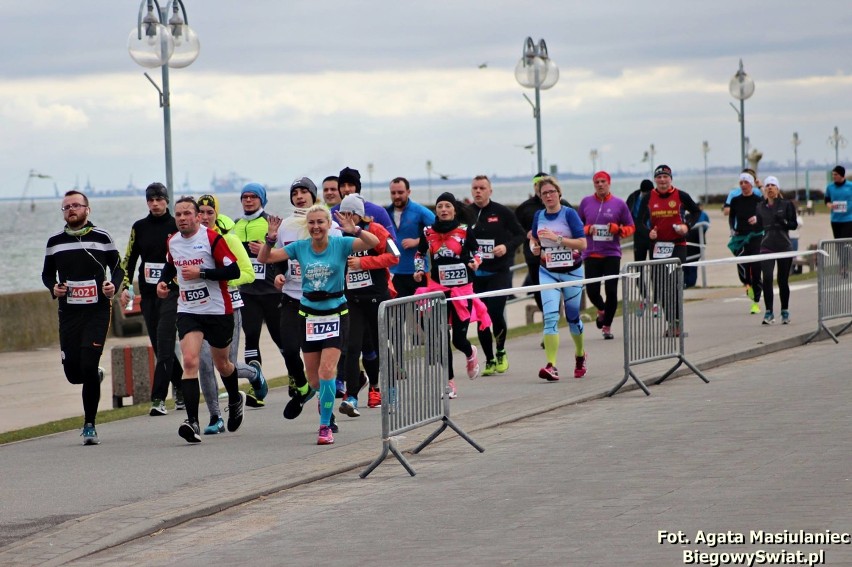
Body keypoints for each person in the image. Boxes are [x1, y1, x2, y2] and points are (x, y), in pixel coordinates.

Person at [261, 205, 379, 445]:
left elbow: (372, 243)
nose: (316, 227)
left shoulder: (340, 244)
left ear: (328, 225)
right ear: (308, 226)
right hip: (309, 315)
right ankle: (319, 398)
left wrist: (355, 230)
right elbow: (266, 258)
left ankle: (325, 425)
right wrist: (270, 239)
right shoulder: (301, 247)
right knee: (315, 380)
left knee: (327, 372)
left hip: (336, 312)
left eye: (320, 222)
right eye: (312, 223)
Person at [157, 197, 244, 444]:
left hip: (218, 310)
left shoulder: (212, 239)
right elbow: (170, 266)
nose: (182, 218)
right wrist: (163, 282)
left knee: (223, 364)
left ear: (197, 217)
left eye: (187, 214)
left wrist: (202, 273)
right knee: (190, 360)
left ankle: (235, 398)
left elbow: (233, 271)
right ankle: (192, 422)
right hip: (188, 310)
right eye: (178, 215)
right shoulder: (173, 242)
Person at [42, 190, 123, 445]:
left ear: (87, 209)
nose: (71, 210)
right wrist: (53, 288)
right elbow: (46, 274)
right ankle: (93, 375)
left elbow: (118, 267)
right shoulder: (55, 242)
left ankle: (90, 425)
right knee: (73, 373)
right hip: (69, 314)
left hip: (97, 311)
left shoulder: (102, 237)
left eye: (76, 205)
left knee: (88, 365)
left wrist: (113, 286)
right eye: (66, 207)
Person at [195, 194, 268, 435]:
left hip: (229, 306)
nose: (205, 218)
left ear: (216, 215)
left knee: (224, 364)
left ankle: (254, 373)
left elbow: (248, 273)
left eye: (209, 213)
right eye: (201, 213)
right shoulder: (190, 243)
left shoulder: (229, 240)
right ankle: (215, 416)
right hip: (200, 309)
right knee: (204, 362)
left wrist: (221, 279)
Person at [414, 192, 490, 398]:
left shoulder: (464, 231)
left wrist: (476, 262)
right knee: (440, 337)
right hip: (438, 291)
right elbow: (420, 253)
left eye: (447, 205)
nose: (444, 209)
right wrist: (420, 269)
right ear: (436, 211)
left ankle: (470, 352)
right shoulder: (427, 231)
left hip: (462, 291)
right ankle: (449, 382)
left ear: (454, 209)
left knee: (458, 339)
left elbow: (478, 252)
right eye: (440, 206)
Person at [118, 182, 184, 416]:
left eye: (159, 199)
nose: (155, 203)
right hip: (148, 295)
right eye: (150, 200)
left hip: (172, 293)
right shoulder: (140, 227)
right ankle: (182, 386)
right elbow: (129, 259)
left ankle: (158, 398)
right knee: (160, 346)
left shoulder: (176, 225)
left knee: (165, 341)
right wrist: (125, 285)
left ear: (167, 200)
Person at [336, 194, 398, 416]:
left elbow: (395, 256)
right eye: (341, 214)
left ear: (356, 214)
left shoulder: (376, 229)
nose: (343, 218)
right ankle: (351, 396)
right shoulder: (339, 235)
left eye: (347, 213)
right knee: (351, 348)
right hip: (352, 299)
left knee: (381, 345)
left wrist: (365, 262)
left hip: (376, 297)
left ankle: (389, 389)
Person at [529, 177, 588, 380]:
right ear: (540, 197)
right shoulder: (539, 215)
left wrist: (558, 239)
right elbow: (533, 239)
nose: (548, 196)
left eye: (551, 192)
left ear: (559, 193)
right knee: (551, 317)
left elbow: (582, 244)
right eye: (544, 193)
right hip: (548, 272)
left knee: (572, 317)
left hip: (572, 272)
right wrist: (536, 249)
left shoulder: (569, 214)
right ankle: (551, 365)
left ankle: (580, 355)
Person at [469, 175, 526, 373]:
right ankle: (489, 359)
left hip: (498, 272)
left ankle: (500, 350)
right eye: (475, 188)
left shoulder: (501, 212)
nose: (478, 191)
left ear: (490, 191)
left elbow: (521, 234)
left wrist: (506, 246)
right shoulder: (467, 213)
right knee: (481, 316)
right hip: (476, 274)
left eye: (482, 188)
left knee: (495, 313)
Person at [637, 165, 701, 335]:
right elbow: (639, 221)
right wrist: (648, 233)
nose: (662, 180)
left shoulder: (680, 195)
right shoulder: (649, 197)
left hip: (678, 246)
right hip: (658, 247)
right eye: (659, 177)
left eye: (665, 177)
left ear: (670, 178)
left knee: (674, 284)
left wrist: (687, 226)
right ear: (655, 180)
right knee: (660, 286)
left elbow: (696, 212)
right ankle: (671, 322)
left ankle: (677, 323)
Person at [232, 182, 280, 407]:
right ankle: (256, 386)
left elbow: (284, 254)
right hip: (248, 291)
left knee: (281, 338)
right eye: (245, 197)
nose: (248, 200)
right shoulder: (235, 224)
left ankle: (296, 378)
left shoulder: (269, 222)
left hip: (271, 291)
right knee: (250, 336)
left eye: (253, 197)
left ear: (262, 200)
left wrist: (266, 247)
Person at [576, 171, 635, 340]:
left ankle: (607, 326)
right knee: (592, 291)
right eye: (597, 182)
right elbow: (577, 226)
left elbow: (631, 227)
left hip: (611, 253)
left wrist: (618, 230)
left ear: (609, 183)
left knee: (611, 291)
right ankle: (601, 310)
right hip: (591, 253)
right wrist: (587, 229)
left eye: (603, 181)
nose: (600, 184)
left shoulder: (619, 204)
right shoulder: (586, 202)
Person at [756, 177, 797, 325]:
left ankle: (784, 311)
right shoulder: (760, 207)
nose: (770, 188)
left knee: (782, 280)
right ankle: (769, 312)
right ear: (765, 190)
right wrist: (754, 223)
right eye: (767, 185)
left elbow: (793, 225)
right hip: (767, 247)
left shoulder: (786, 205)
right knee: (767, 278)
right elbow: (759, 227)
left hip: (784, 246)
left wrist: (783, 221)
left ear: (778, 189)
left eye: (773, 185)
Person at [386, 176, 435, 298]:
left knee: (422, 313)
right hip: (394, 273)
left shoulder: (420, 211)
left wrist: (417, 241)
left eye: (400, 192)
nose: (397, 196)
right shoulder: (385, 213)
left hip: (417, 273)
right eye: (393, 193)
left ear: (408, 192)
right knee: (398, 314)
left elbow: (439, 231)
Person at [727, 172, 765, 314]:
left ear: (751, 184)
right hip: (740, 237)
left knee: (756, 269)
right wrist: (732, 229)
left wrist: (757, 218)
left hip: (756, 237)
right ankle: (747, 285)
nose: (743, 185)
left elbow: (765, 214)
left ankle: (756, 302)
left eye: (746, 182)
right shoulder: (736, 200)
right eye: (741, 183)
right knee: (743, 270)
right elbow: (731, 217)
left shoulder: (758, 199)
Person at [335, 167, 397, 240]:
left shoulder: (379, 212)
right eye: (342, 186)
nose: (346, 189)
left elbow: (392, 242)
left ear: (357, 188)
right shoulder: (332, 213)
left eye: (350, 185)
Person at [625, 179, 657, 315]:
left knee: (655, 269)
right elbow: (626, 213)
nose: (646, 195)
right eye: (644, 193)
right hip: (639, 236)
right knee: (638, 268)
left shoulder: (656, 197)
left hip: (654, 237)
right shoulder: (633, 197)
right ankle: (644, 298)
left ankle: (656, 301)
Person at [683, 203, 710, 289]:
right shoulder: (687, 216)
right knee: (686, 264)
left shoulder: (703, 215)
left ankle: (690, 283)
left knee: (693, 263)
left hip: (697, 242)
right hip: (688, 242)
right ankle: (686, 283)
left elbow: (705, 226)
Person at [825, 165, 852, 238]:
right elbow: (827, 200)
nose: (833, 176)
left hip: (848, 219)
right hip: (835, 220)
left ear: (841, 175)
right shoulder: (830, 187)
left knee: (845, 242)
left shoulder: (850, 186)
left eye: (836, 174)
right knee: (838, 243)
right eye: (833, 174)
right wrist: (829, 205)